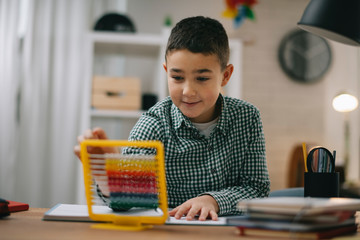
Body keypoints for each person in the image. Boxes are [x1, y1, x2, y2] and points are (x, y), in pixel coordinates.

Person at [74, 16, 270, 221]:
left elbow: (257, 189)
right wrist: (109, 180)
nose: (188, 91)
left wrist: (213, 200)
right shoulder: (152, 125)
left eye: (202, 78)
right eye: (177, 77)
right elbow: (128, 199)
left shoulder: (247, 118)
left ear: (225, 75)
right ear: (167, 72)